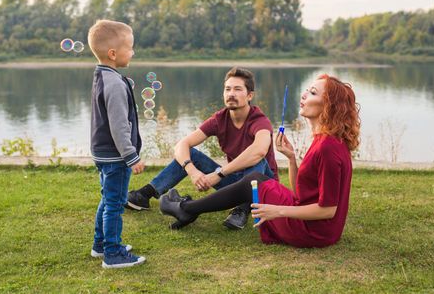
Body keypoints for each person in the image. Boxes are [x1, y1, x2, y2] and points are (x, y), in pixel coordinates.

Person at [159, 74, 361, 248]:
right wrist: (291, 159)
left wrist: (277, 211)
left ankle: (186, 209)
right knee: (256, 180)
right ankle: (187, 209)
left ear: (329, 106)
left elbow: (327, 210)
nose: (304, 95)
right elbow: (302, 194)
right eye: (307, 90)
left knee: (254, 179)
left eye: (314, 93)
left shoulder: (328, 148)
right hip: (315, 225)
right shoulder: (323, 140)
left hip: (314, 232)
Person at [128, 67, 278, 230]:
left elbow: (259, 151)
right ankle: (144, 194)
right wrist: (192, 171)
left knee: (258, 161)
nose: (231, 94)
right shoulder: (220, 119)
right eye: (227, 89)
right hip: (235, 180)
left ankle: (241, 209)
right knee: (190, 154)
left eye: (237, 89)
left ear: (250, 95)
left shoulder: (259, 120)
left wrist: (219, 173)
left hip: (263, 185)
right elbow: (182, 145)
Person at [88, 20, 146, 268]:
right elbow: (119, 125)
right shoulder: (114, 83)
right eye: (130, 47)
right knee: (115, 203)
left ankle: (100, 245)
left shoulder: (102, 75)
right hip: (116, 157)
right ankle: (113, 253)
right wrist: (131, 156)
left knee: (107, 198)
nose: (133, 52)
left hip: (102, 153)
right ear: (113, 53)